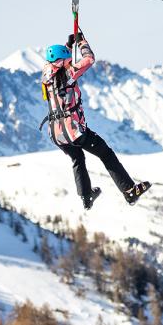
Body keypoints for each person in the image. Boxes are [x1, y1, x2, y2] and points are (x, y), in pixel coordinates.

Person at [41, 31, 151, 209]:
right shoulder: (68, 74)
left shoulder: (46, 74)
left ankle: (86, 196)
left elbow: (57, 61)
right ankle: (129, 191)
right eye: (68, 58)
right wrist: (82, 42)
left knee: (77, 158)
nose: (71, 60)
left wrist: (69, 46)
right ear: (63, 62)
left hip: (57, 134)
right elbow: (89, 59)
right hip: (74, 130)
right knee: (106, 154)